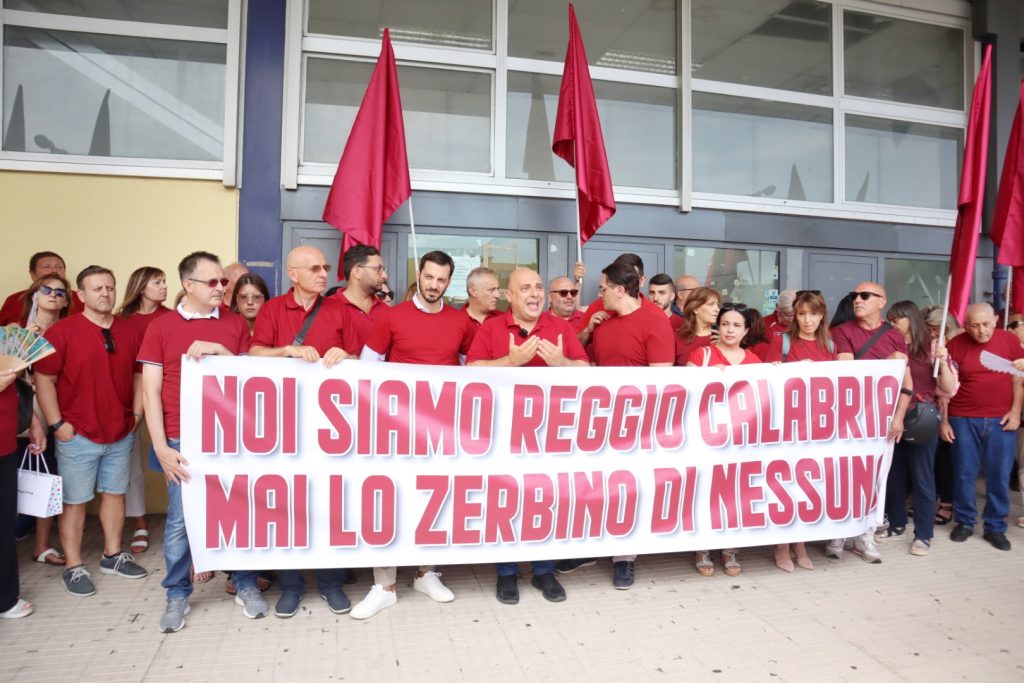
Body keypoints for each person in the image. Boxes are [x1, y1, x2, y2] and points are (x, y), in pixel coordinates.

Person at [138, 251, 265, 631]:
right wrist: (161, 447)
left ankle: (243, 582)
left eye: (222, 281)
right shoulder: (160, 327)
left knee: (236, 512)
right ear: (188, 285)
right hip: (181, 438)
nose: (221, 288)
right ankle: (177, 593)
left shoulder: (234, 324)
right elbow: (150, 391)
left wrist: (222, 353)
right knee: (179, 520)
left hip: (228, 437)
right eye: (212, 282)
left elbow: (250, 381)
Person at [353, 250, 473, 619]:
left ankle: (425, 573)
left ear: (448, 282)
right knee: (389, 505)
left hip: (441, 433)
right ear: (418, 275)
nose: (434, 285)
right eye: (429, 277)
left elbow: (474, 373)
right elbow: (367, 370)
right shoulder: (391, 317)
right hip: (395, 430)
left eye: (441, 279)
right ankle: (384, 585)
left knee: (434, 502)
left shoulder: (461, 322)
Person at [467, 267, 588, 604]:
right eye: (525, 288)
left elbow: (588, 371)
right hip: (502, 434)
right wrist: (510, 361)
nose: (534, 294)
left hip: (549, 436)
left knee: (545, 501)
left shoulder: (560, 327)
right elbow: (470, 371)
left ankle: (543, 570)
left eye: (538, 287)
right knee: (502, 502)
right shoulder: (492, 328)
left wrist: (563, 363)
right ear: (510, 296)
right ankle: (506, 573)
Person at [249, 246, 354, 617]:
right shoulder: (273, 309)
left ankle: (330, 582)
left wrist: (346, 356)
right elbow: (254, 355)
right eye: (314, 268)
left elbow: (365, 360)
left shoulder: (340, 309)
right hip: (285, 426)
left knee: (328, 505)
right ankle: (291, 585)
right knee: (287, 507)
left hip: (331, 430)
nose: (324, 273)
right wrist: (286, 353)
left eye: (325, 267)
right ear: (293, 274)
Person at [33, 266, 148, 598]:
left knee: (115, 495)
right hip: (77, 432)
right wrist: (57, 424)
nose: (105, 293)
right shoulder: (63, 332)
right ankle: (73, 565)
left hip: (120, 429)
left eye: (110, 287)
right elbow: (44, 380)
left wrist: (137, 414)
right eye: (97, 288)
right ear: (80, 296)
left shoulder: (130, 331)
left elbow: (140, 374)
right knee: (75, 502)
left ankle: (112, 554)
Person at [559, 262, 674, 589]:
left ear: (621, 290)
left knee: (628, 491)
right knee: (595, 487)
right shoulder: (601, 316)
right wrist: (588, 330)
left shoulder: (655, 322)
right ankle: (590, 548)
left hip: (636, 425)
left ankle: (625, 559)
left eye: (603, 288)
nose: (600, 294)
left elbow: (661, 381)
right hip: (598, 420)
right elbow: (581, 359)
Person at [827, 282, 912, 564]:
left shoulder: (895, 336)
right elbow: (847, 371)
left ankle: (866, 535)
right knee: (845, 477)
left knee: (877, 479)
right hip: (850, 420)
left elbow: (905, 382)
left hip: (884, 422)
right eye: (854, 296)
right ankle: (838, 532)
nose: (858, 300)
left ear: (882, 302)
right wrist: (888, 363)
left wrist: (898, 418)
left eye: (865, 296)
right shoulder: (841, 331)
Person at [688, 303, 762, 577]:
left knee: (735, 494)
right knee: (707, 492)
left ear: (746, 330)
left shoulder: (755, 361)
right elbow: (684, 391)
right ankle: (703, 548)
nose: (730, 330)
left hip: (739, 440)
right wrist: (705, 376)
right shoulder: (702, 354)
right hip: (706, 437)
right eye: (726, 323)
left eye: (736, 325)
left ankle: (730, 549)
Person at [766, 290, 837, 571]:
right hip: (787, 423)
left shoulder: (830, 345)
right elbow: (767, 383)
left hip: (817, 425)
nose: (808, 320)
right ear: (794, 315)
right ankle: (782, 546)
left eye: (814, 314)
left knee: (808, 485)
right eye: (802, 314)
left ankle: (801, 544)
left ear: (822, 316)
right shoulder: (781, 341)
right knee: (785, 484)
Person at [943, 303, 1024, 551]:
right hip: (962, 416)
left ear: (996, 320)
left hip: (1002, 418)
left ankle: (995, 527)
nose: (981, 331)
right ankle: (965, 522)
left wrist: (1015, 411)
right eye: (974, 325)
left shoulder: (1010, 341)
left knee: (998, 474)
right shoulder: (955, 345)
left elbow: (1018, 378)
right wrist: (944, 420)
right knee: (964, 473)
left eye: (986, 324)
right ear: (965, 325)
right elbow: (945, 389)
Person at [880, 301, 956, 556]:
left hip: (921, 420)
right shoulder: (888, 346)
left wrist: (944, 362)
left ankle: (923, 534)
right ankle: (897, 522)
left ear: (910, 319)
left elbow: (948, 387)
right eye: (889, 320)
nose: (892, 324)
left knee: (923, 477)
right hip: (893, 419)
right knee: (894, 474)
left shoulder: (932, 347)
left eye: (896, 319)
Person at [117, 267, 173, 553]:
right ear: (141, 287)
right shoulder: (121, 321)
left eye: (164, 282)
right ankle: (140, 524)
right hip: (130, 399)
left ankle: (177, 525)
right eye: (157, 282)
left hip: (166, 401)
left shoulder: (170, 318)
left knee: (173, 465)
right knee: (132, 465)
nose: (164, 287)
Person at [19, 274, 71, 566]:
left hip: (58, 410)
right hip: (22, 410)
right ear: (34, 294)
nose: (53, 295)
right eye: (46, 289)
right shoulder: (16, 329)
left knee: (48, 475)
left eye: (60, 292)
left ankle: (42, 544)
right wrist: (27, 341)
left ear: (66, 302)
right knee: (16, 474)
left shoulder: (68, 331)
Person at [0, 368, 46, 618]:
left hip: (5, 440)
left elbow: (15, 382)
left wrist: (32, 421)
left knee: (5, 521)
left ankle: (5, 597)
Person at [923, 305, 962, 526]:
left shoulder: (955, 345)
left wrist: (945, 419)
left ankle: (947, 501)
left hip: (956, 406)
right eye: (929, 329)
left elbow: (948, 389)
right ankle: (938, 497)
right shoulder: (932, 345)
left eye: (935, 329)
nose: (931, 333)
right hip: (938, 406)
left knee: (949, 458)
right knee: (936, 457)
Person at [576, 253, 662, 348]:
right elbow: (574, 350)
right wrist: (587, 331)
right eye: (619, 276)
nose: (624, 282)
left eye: (630, 277)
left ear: (642, 281)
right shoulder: (598, 306)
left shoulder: (657, 316)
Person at [0, 251, 84, 324]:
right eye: (47, 267)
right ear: (32, 274)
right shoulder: (14, 300)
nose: (54, 270)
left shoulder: (82, 299)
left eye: (59, 267)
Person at [333, 245, 389, 351]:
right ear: (357, 272)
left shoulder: (387, 311)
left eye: (383, 270)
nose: (385, 275)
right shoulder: (328, 307)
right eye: (378, 269)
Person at [674, 286, 721, 365]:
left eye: (717, 305)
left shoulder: (721, 337)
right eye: (710, 304)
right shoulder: (677, 337)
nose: (717, 309)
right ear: (695, 309)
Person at [462, 266, 502, 331]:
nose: (497, 295)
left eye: (497, 289)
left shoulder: (504, 319)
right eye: (491, 290)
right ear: (473, 291)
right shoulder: (455, 321)